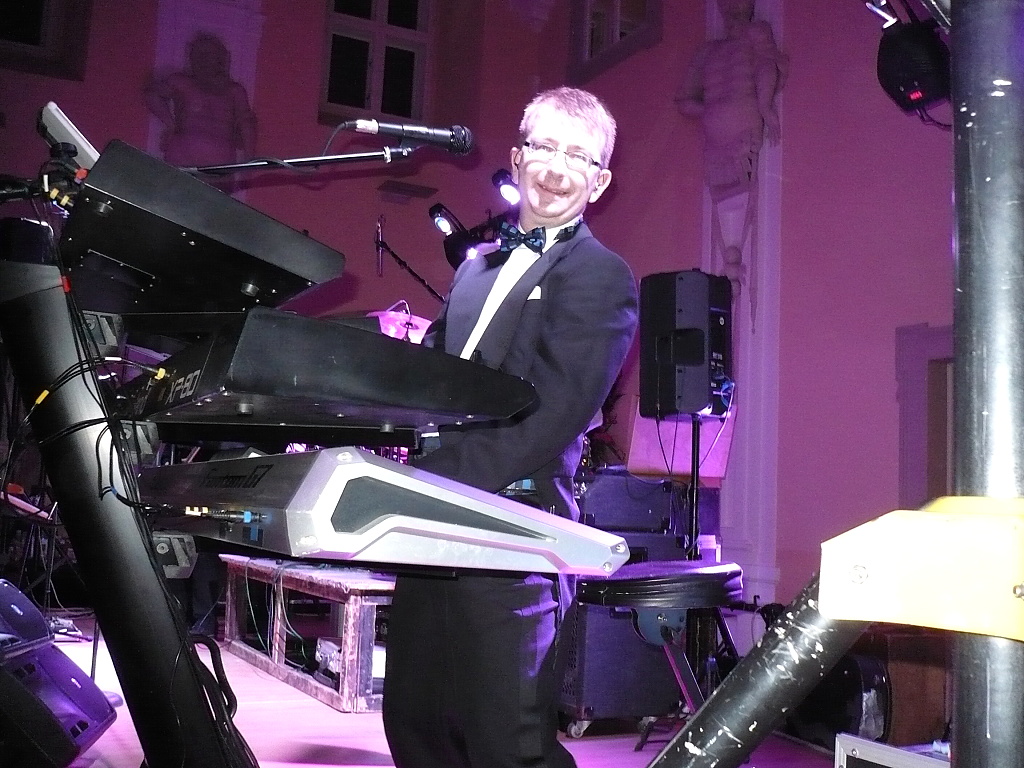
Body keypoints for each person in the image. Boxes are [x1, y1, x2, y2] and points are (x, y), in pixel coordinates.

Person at [382, 87, 638, 768]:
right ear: (519, 158)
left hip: (513, 532)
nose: (557, 169)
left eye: (578, 157)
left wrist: (431, 485)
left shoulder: (601, 275)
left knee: (506, 743)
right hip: (429, 522)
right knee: (416, 724)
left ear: (599, 181)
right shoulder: (475, 270)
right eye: (545, 148)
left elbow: (553, 414)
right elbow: (430, 375)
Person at [144, 32, 257, 171]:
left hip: (220, 163)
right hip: (182, 155)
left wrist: (249, 162)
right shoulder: (182, 82)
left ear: (221, 58)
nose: (202, 59)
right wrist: (170, 124)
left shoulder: (234, 91)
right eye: (197, 54)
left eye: (208, 54)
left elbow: (247, 123)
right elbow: (152, 94)